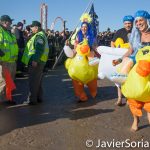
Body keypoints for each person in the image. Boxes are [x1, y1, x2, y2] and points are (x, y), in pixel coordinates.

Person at [114, 10, 150, 131]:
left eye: (141, 20)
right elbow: (130, 50)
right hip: (137, 59)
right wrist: (120, 59)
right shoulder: (135, 35)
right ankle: (135, 119)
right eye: (137, 21)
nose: (139, 23)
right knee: (127, 63)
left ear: (147, 20)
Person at [22, 21, 49, 105]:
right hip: (40, 61)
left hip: (36, 62)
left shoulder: (39, 36)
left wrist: (35, 60)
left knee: (33, 81)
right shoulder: (41, 35)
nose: (31, 29)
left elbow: (39, 49)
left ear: (36, 27)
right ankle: (39, 97)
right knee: (38, 81)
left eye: (32, 27)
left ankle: (32, 100)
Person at [111, 15, 134, 106]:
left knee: (129, 78)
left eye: (129, 23)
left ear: (132, 23)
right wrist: (114, 51)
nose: (128, 25)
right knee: (119, 78)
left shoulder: (136, 31)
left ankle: (128, 98)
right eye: (126, 23)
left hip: (131, 57)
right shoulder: (119, 31)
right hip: (120, 58)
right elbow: (112, 43)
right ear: (123, 23)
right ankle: (120, 98)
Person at [0, 15, 18, 102]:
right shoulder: (0, 31)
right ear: (4, 22)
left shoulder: (8, 32)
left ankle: (8, 98)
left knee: (10, 82)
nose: (11, 23)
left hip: (12, 62)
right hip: (4, 61)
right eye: (10, 21)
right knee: (4, 82)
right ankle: (2, 100)